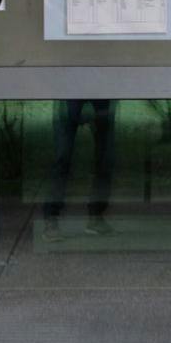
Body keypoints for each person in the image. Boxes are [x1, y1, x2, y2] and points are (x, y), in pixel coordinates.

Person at [42, 100, 118, 242]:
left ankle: (96, 216)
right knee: (63, 156)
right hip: (71, 89)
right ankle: (51, 218)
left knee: (105, 156)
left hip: (100, 89)